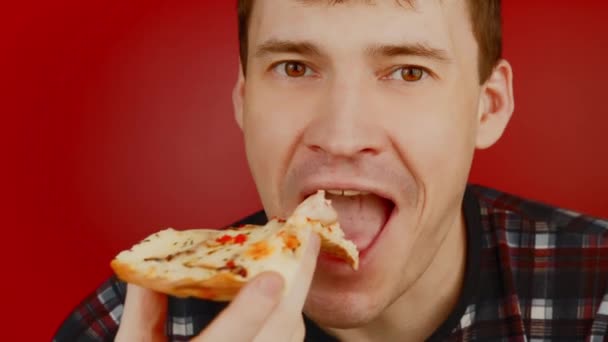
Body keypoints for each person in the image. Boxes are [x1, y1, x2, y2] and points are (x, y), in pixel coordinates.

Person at [53, 0, 608, 341]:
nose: (342, 137)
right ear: (244, 102)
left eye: (408, 73)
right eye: (294, 67)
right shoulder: (124, 326)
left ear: (488, 107)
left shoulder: (596, 296)